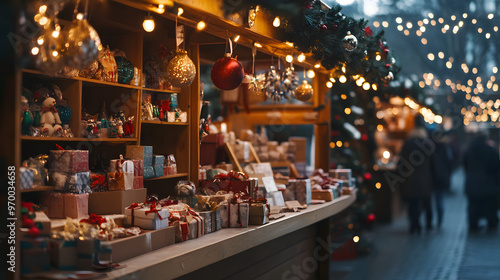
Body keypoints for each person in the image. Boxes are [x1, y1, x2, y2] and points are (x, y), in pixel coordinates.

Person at [398, 126, 434, 234]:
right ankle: (428, 224)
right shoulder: (428, 145)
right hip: (425, 179)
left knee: (412, 205)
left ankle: (414, 225)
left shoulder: (407, 145)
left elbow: (401, 164)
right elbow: (433, 164)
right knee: (427, 204)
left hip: (410, 180)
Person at [463, 132, 500, 231]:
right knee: (490, 206)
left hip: (472, 184)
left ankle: (473, 224)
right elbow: (496, 168)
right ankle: (491, 223)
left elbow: (465, 166)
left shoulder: (469, 151)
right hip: (488, 184)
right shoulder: (491, 151)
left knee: (473, 206)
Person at [431, 132, 453, 228]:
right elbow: (449, 162)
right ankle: (439, 220)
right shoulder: (445, 148)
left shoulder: (431, 149)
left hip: (433, 178)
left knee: (433, 200)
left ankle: (433, 221)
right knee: (440, 200)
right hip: (442, 177)